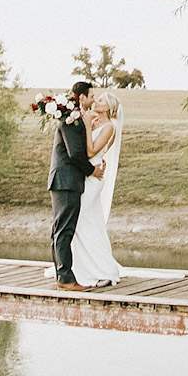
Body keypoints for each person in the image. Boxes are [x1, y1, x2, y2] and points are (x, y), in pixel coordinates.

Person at [69, 90, 124, 287]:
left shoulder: (109, 127)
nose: (96, 101)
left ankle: (102, 269)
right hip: (87, 174)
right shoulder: (96, 123)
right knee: (89, 221)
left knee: (83, 218)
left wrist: (86, 127)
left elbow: (92, 151)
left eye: (100, 100)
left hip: (94, 177)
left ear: (108, 107)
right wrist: (89, 127)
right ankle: (83, 266)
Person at [49, 80, 98, 291]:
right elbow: (75, 154)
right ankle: (66, 278)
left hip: (65, 181)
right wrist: (92, 170)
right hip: (66, 181)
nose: (94, 99)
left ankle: (62, 274)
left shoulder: (75, 118)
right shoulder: (71, 120)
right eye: (91, 95)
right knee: (64, 230)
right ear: (82, 98)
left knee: (60, 230)